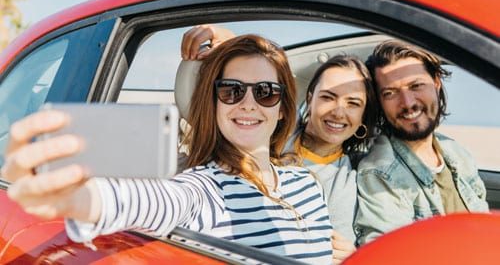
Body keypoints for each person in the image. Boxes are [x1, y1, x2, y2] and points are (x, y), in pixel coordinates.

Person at [2, 35, 334, 264]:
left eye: (265, 92)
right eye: (231, 91)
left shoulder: (307, 183)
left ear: (282, 107)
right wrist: (81, 198)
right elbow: (160, 201)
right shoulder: (206, 189)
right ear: (213, 104)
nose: (248, 104)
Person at [181, 25, 378, 262]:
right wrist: (233, 40)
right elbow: (257, 88)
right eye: (328, 97)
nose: (338, 111)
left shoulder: (342, 180)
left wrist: (351, 256)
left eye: (353, 103)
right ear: (308, 99)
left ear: (363, 116)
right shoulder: (270, 128)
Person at [354, 40, 490, 245]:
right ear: (380, 102)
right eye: (390, 93)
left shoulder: (457, 153)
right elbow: (388, 255)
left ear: (436, 82)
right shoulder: (379, 173)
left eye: (416, 85)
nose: (407, 103)